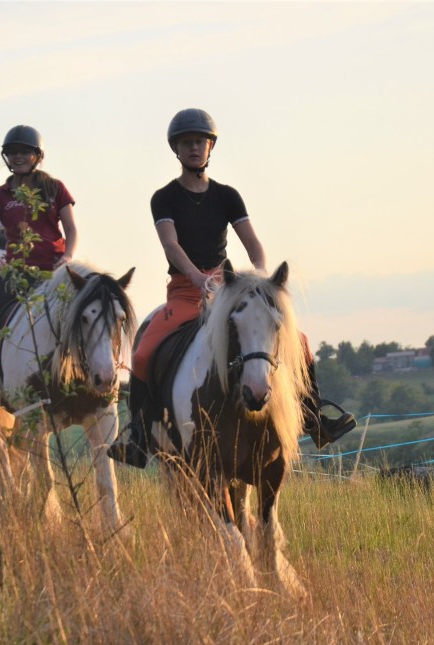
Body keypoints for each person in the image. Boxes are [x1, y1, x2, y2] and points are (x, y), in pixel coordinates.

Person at [108, 108, 356, 465]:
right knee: (145, 352)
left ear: (211, 147)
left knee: (299, 341)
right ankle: (139, 435)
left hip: (229, 288)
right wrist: (197, 277)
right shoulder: (164, 197)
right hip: (185, 291)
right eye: (186, 143)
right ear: (176, 149)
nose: (194, 148)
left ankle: (314, 418)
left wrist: (260, 279)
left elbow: (253, 244)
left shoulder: (227, 195)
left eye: (200, 142)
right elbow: (171, 245)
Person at [0, 124, 78, 412]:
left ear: (37, 156)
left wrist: (68, 256)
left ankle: (89, 375)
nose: (18, 157)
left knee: (86, 312)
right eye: (12, 152)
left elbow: (71, 230)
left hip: (53, 271)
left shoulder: (55, 188)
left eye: (24, 152)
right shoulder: (0, 196)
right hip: (17, 272)